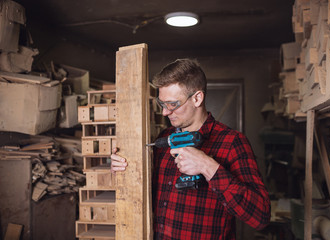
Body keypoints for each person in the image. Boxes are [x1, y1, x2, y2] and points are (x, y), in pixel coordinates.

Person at [111, 58, 271, 239]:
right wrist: (123, 170)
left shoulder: (232, 142)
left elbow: (261, 216)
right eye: (162, 104)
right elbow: (144, 194)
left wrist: (208, 166)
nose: (165, 112)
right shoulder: (163, 139)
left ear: (197, 98)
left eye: (173, 104)